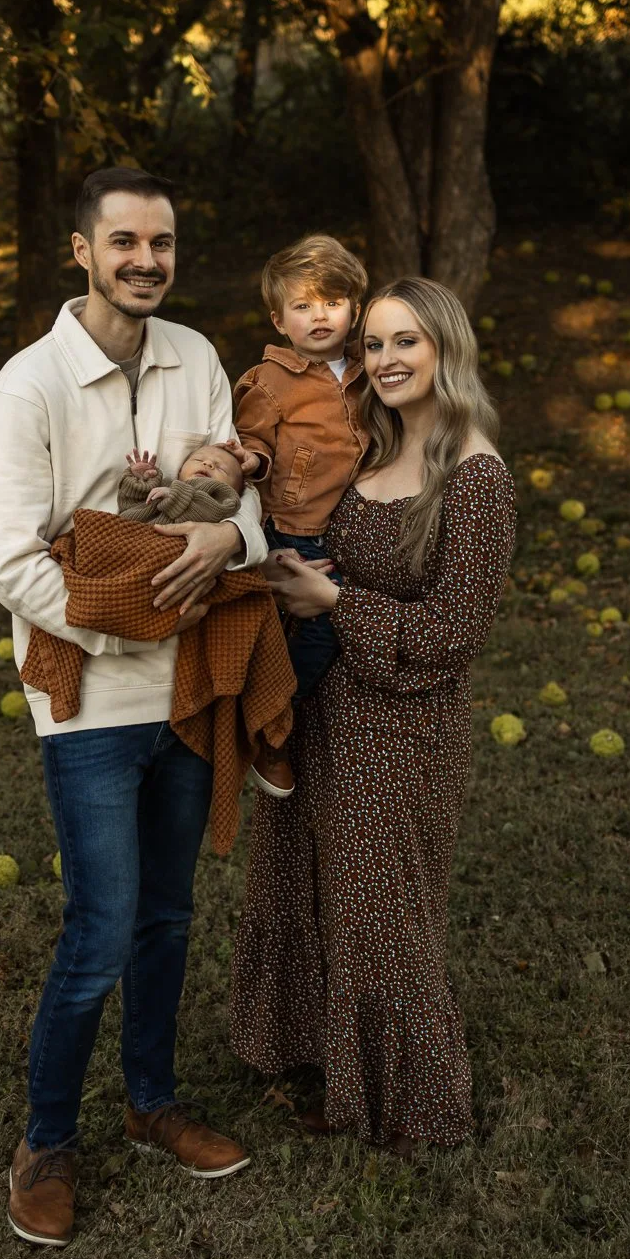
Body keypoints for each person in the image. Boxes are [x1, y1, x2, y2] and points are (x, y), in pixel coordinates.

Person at [0, 166, 268, 1248]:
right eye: (126, 242)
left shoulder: (197, 357)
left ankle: (152, 1103)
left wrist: (228, 537)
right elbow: (12, 561)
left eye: (163, 242)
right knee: (100, 930)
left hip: (189, 684)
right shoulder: (27, 387)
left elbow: (246, 499)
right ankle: (46, 1140)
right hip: (92, 694)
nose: (147, 260)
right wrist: (127, 624)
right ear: (83, 251)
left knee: (168, 916)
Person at [229, 275, 517, 1155]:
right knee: (304, 883)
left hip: (401, 728)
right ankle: (322, 1057)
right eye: (375, 344)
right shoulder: (372, 443)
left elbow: (454, 633)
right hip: (322, 704)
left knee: (381, 916)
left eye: (406, 342)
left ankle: (414, 1104)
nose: (385, 360)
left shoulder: (474, 475)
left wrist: (333, 601)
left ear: (445, 348)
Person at [231, 234, 370, 796]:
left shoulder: (367, 369)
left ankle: (285, 709)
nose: (320, 316)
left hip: (350, 525)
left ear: (354, 309)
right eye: (303, 305)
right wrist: (253, 459)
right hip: (293, 526)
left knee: (326, 627)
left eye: (332, 302)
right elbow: (251, 438)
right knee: (320, 632)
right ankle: (271, 723)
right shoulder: (271, 380)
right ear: (278, 320)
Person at [117, 441, 246, 526]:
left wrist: (176, 495)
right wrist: (139, 484)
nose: (208, 464)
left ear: (235, 490)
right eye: (198, 459)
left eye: (221, 468)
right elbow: (129, 507)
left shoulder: (224, 500)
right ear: (180, 471)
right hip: (128, 534)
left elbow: (210, 513)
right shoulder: (165, 486)